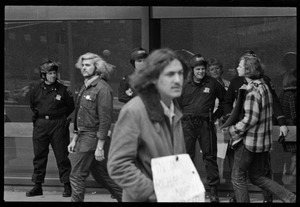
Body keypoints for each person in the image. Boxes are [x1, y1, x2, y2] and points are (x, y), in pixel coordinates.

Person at [107, 48, 187, 202]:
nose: (177, 80)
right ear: (153, 78)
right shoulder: (134, 110)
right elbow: (118, 165)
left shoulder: (174, 109)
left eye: (180, 73)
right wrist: (153, 193)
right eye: (170, 74)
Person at [222, 55, 296, 203]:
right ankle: (290, 197)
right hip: (261, 143)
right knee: (258, 177)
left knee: (237, 177)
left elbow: (250, 119)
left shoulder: (253, 90)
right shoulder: (264, 85)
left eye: (240, 66)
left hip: (249, 142)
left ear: (248, 70)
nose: (237, 68)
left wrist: (232, 131)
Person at [67, 52, 122, 202]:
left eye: (88, 65)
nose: (84, 68)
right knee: (101, 176)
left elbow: (105, 119)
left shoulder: (102, 88)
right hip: (83, 136)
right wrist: (75, 138)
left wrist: (100, 146)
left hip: (92, 137)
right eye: (82, 65)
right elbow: (79, 115)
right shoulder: (86, 86)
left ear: (96, 68)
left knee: (77, 175)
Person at [177, 54, 227, 203]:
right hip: (187, 124)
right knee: (187, 158)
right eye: (198, 69)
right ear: (193, 70)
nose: (201, 71)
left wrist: (216, 115)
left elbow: (225, 100)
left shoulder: (212, 83)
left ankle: (213, 192)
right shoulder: (184, 84)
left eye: (203, 69)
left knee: (210, 157)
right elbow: (176, 102)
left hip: (206, 123)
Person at [27, 60, 75, 197]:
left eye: (54, 73)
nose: (53, 76)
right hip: (41, 124)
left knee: (62, 156)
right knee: (39, 156)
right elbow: (32, 104)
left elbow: (70, 106)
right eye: (50, 73)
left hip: (58, 124)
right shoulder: (36, 89)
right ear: (43, 75)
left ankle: (67, 186)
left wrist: (59, 116)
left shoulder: (63, 89)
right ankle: (37, 186)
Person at [207, 58, 230, 183]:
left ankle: (220, 177)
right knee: (211, 152)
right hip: (210, 122)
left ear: (221, 69)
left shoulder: (228, 84)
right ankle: (214, 180)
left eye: (217, 68)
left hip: (224, 122)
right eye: (211, 69)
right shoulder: (206, 85)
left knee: (222, 152)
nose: (215, 71)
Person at [279, 70, 297, 176]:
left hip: (285, 126)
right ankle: (291, 177)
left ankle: (287, 175)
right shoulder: (291, 95)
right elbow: (294, 114)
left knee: (286, 155)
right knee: (293, 155)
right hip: (291, 127)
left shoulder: (283, 93)